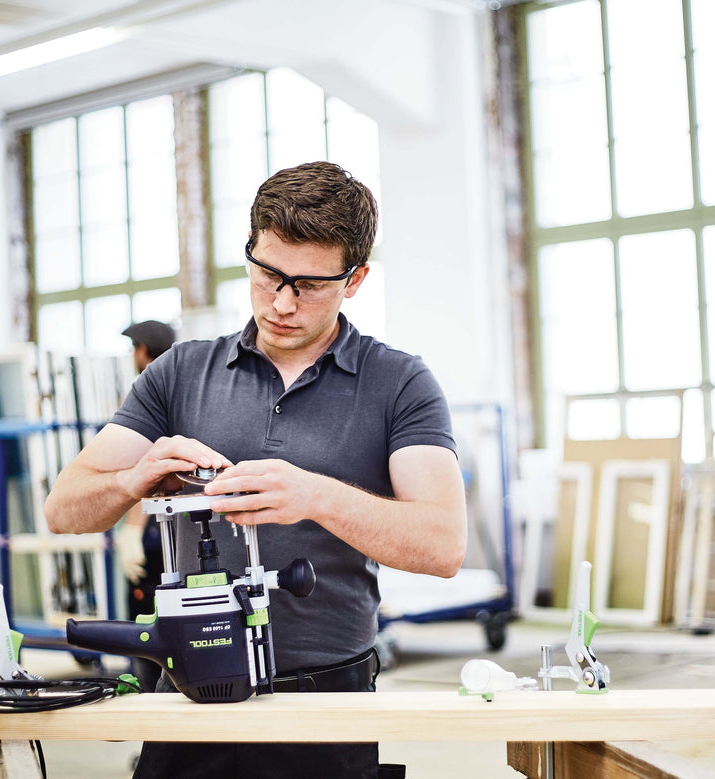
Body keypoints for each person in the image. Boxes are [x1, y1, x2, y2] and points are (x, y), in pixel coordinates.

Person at [44, 161, 468, 779]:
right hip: (187, 695)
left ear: (356, 279)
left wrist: (316, 496)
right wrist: (128, 482)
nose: (282, 302)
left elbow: (444, 545)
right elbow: (64, 509)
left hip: (329, 703)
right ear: (250, 250)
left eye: (310, 284)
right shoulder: (180, 373)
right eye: (268, 274)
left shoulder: (399, 382)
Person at [115, 319, 177, 693]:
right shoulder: (186, 386)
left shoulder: (151, 392)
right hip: (174, 534)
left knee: (146, 632)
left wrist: (132, 532)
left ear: (141, 351)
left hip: (156, 539)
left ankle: (151, 718)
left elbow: (149, 471)